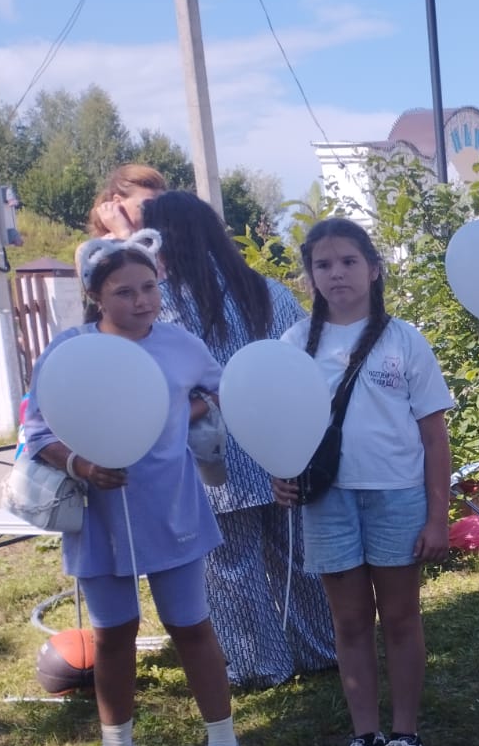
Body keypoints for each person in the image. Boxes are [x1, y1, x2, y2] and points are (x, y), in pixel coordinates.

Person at [23, 240, 245, 746]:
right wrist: (81, 463)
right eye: (124, 291)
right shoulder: (70, 351)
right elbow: (37, 429)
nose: (142, 301)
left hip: (171, 508)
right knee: (113, 633)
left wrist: (180, 412)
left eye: (149, 288)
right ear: (96, 296)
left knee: (190, 625)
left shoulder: (181, 344)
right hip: (99, 515)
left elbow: (223, 393)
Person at [272, 219, 455, 746]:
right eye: (323, 264)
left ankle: (404, 734)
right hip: (327, 500)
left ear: (373, 268)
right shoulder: (293, 344)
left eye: (348, 261)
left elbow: (433, 435)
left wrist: (437, 516)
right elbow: (276, 426)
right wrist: (281, 474)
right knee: (348, 622)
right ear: (310, 276)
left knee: (400, 617)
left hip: (397, 495)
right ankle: (364, 736)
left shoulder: (404, 340)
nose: (336, 273)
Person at [141, 190, 337, 689]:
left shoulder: (164, 306)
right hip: (278, 443)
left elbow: (157, 384)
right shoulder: (267, 290)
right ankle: (323, 649)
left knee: (230, 568)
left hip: (211, 454)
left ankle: (260, 664)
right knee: (297, 554)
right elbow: (302, 361)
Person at [75, 164, 167, 278]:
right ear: (117, 202)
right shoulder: (96, 251)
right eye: (148, 205)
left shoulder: (168, 242)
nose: (158, 212)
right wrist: (125, 234)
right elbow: (149, 284)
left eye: (162, 205)